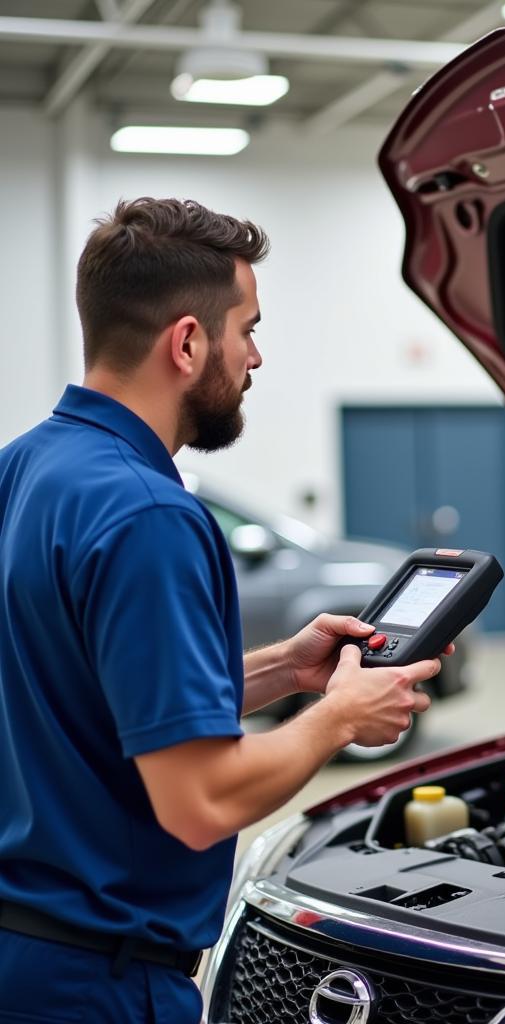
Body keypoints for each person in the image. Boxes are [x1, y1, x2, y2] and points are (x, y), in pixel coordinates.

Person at [0, 198, 445, 1021]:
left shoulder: (24, 468)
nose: (256, 357)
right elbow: (199, 801)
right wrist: (339, 717)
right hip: (99, 982)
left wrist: (286, 670)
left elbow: (89, 694)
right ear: (188, 342)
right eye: (247, 329)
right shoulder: (151, 514)